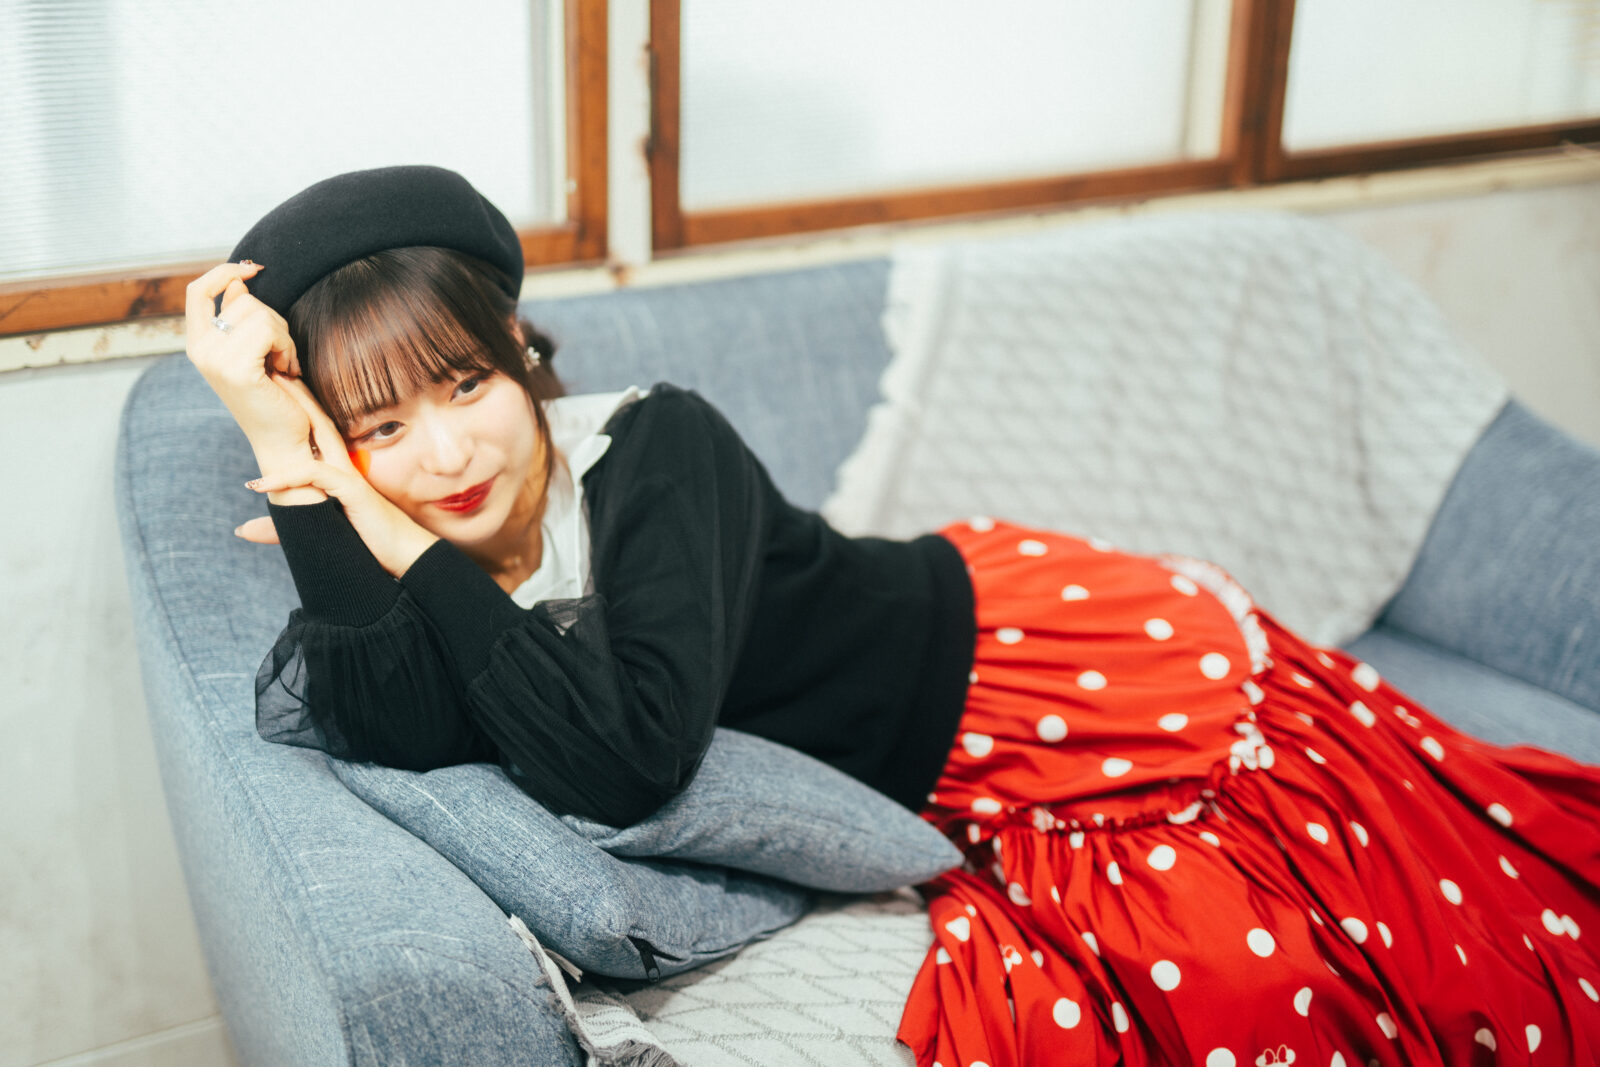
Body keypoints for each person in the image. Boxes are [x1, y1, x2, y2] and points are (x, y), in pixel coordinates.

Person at [186, 166, 1600, 1067]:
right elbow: (386, 723)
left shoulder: (655, 445)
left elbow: (626, 756)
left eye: (466, 386)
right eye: (379, 427)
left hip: (1027, 660)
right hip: (957, 761)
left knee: (1398, 908)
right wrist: (291, 460)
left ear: (519, 354)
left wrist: (376, 521)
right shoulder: (387, 528)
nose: (447, 454)